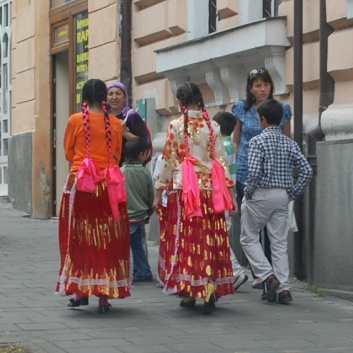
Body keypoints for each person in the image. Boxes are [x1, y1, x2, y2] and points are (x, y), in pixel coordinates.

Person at [153, 82, 238, 315]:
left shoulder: (176, 125)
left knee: (189, 241)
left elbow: (169, 160)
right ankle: (210, 285)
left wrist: (159, 191)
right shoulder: (213, 127)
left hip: (185, 190)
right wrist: (231, 195)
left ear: (180, 101)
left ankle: (190, 291)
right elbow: (221, 163)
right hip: (211, 190)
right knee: (209, 238)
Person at [55, 79, 131, 314]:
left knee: (79, 239)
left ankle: (80, 291)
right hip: (109, 186)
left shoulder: (75, 120)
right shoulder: (116, 124)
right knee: (107, 239)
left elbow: (68, 153)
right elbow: (117, 156)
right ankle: (104, 297)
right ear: (104, 99)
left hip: (81, 184)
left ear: (84, 99)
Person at [240, 99, 313, 304]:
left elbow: (253, 172)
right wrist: (292, 194)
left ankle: (266, 275)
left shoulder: (257, 141)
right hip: (282, 196)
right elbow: (307, 170)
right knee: (279, 243)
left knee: (248, 238)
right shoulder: (289, 143)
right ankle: (284, 289)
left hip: (260, 194)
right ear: (280, 120)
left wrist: (248, 193)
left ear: (262, 119)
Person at [232, 67, 292, 289]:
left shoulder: (281, 110)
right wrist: (235, 164)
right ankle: (261, 274)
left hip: (273, 176)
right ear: (250, 88)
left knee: (272, 229)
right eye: (257, 85)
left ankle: (271, 274)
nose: (262, 89)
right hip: (246, 173)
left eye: (266, 84)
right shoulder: (243, 109)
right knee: (251, 226)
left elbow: (288, 140)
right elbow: (236, 138)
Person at [213, 111, 248, 291]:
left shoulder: (220, 147)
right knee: (221, 237)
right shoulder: (229, 146)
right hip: (228, 196)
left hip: (220, 197)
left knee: (219, 239)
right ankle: (225, 273)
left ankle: (236, 271)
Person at [121, 138, 154, 282]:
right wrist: (149, 212)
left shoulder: (121, 172)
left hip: (123, 216)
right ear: (141, 154)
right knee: (138, 246)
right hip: (140, 215)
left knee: (121, 247)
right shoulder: (145, 173)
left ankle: (122, 272)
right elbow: (150, 195)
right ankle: (142, 271)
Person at [106, 81, 152, 166]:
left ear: (124, 97)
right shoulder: (105, 117)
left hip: (130, 168)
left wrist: (125, 133)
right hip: (110, 167)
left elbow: (145, 143)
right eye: (110, 94)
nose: (114, 97)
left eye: (118, 93)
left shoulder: (131, 115)